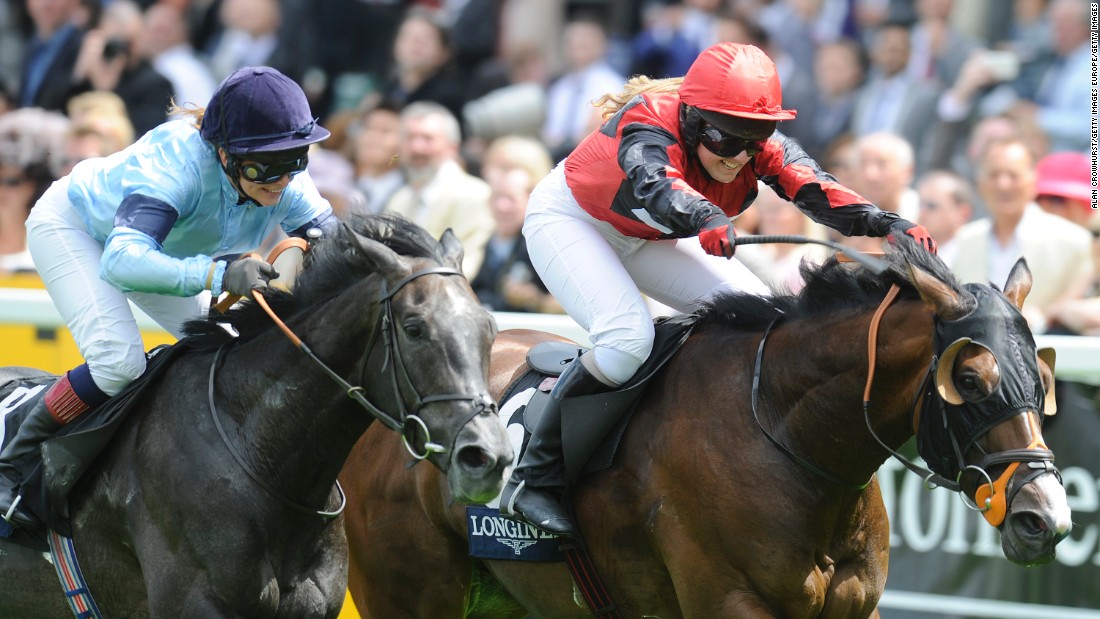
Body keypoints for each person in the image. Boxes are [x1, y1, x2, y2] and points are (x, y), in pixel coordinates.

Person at [500, 42, 936, 538]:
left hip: (645, 234)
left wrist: (887, 222)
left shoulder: (753, 143)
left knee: (765, 323)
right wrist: (705, 215)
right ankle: (533, 477)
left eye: (756, 138)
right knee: (626, 342)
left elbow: (814, 188)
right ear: (691, 119)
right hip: (571, 221)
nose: (741, 155)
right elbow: (656, 183)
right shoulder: (647, 123)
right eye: (727, 140)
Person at [0, 66, 336, 529]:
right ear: (222, 152)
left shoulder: (284, 177)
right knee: (119, 365)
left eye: (295, 158)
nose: (280, 180)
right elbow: (121, 262)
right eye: (264, 164)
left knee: (229, 346)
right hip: (77, 230)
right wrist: (218, 275)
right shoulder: (175, 165)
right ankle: (11, 464)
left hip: (153, 248)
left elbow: (337, 244)